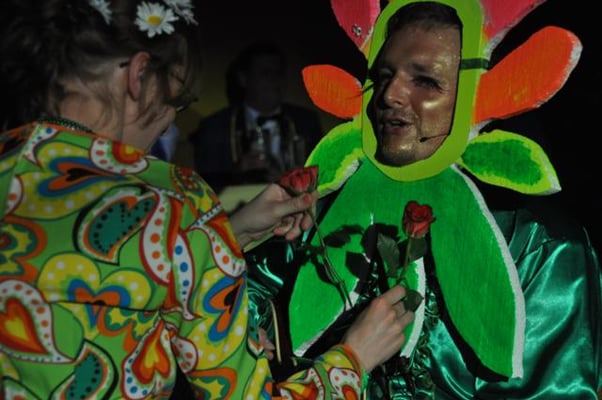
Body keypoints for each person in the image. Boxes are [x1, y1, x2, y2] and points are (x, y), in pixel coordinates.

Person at [0, 1, 417, 399]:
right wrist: (354, 358)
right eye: (177, 104)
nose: (168, 124)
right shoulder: (173, 199)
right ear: (140, 76)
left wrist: (227, 232)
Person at [247, 0, 602, 398]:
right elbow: (232, 300)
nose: (389, 95)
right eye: (383, 76)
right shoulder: (326, 215)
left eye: (426, 81)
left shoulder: (540, 244)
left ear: (477, 94)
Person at [188, 41, 325, 192]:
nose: (275, 80)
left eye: (279, 73)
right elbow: (202, 185)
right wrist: (238, 172)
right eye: (266, 73)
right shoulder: (216, 126)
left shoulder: (306, 122)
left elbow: (326, 175)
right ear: (243, 79)